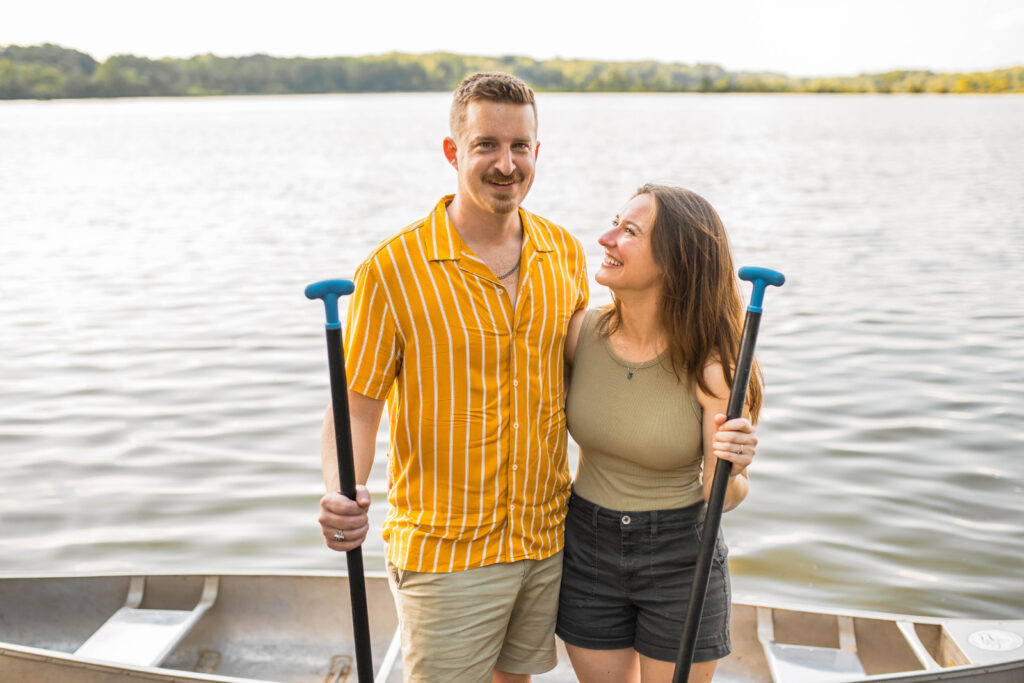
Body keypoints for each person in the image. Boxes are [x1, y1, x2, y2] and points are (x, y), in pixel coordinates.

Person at [317, 72, 590, 683]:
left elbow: (595, 378)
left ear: (536, 152)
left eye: (520, 146)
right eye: (487, 145)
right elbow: (356, 405)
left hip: (545, 538)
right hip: (448, 551)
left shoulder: (565, 255)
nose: (506, 163)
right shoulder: (394, 269)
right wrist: (341, 492)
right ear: (453, 151)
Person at [556, 184, 761, 683]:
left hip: (679, 554)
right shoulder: (578, 334)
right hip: (587, 544)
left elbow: (722, 493)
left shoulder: (715, 367)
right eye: (613, 222)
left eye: (629, 231)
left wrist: (735, 466)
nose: (606, 238)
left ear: (677, 260)